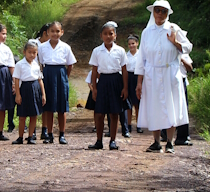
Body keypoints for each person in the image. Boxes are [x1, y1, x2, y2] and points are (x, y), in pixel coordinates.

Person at [135, 0, 192, 154]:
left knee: (170, 105)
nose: (160, 14)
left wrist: (176, 43)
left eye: (164, 11)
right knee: (154, 106)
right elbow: (142, 58)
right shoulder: (147, 32)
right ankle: (155, 141)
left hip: (170, 72)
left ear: (168, 13)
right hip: (152, 73)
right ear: (153, 12)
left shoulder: (174, 29)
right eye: (157, 10)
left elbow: (188, 47)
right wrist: (139, 82)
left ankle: (170, 142)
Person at [87, 21, 129, 150]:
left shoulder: (120, 51)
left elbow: (124, 70)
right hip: (103, 80)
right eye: (105, 34)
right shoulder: (97, 51)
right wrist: (94, 88)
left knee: (114, 112)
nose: (108, 36)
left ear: (115, 35)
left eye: (111, 34)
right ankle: (99, 141)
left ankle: (113, 140)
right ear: (101, 36)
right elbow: (94, 70)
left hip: (116, 80)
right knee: (99, 113)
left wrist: (125, 87)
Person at [38, 21, 77, 144]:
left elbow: (70, 64)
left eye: (57, 31)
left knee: (61, 107)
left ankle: (62, 134)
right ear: (47, 32)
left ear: (62, 32)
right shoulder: (42, 47)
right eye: (52, 31)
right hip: (47, 74)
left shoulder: (65, 47)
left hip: (61, 73)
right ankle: (49, 134)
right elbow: (40, 64)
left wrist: (65, 76)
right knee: (49, 107)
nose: (55, 34)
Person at [11, 41, 46, 144]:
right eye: (29, 52)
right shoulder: (20, 64)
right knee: (22, 116)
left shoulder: (36, 64)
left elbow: (40, 80)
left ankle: (31, 136)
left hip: (35, 89)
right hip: (24, 89)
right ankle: (20, 137)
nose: (32, 55)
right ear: (24, 52)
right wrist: (18, 94)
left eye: (34, 52)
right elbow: (16, 80)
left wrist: (43, 94)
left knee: (34, 115)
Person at [174, 46, 193, 146]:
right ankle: (165, 134)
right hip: (170, 79)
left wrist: (181, 58)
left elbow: (190, 68)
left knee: (183, 108)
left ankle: (182, 136)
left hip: (181, 79)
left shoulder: (183, 52)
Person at [126, 34, 142, 134]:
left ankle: (139, 124)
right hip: (128, 77)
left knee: (138, 103)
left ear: (137, 43)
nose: (131, 46)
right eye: (129, 44)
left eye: (133, 43)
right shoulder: (125, 55)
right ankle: (128, 124)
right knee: (128, 103)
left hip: (138, 77)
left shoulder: (141, 55)